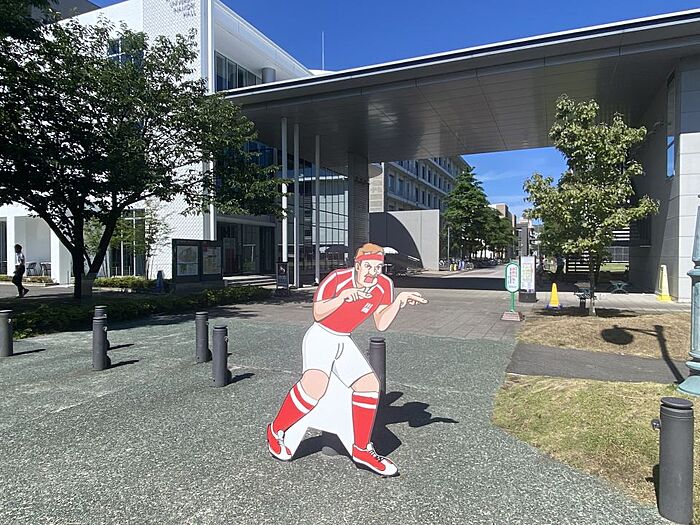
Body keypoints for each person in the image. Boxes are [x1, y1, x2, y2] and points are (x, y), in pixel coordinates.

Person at [266, 242, 428, 476]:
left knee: (369, 385)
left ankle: (361, 449)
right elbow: (318, 314)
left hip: (343, 339)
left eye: (378, 267)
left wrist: (399, 302)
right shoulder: (337, 279)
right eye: (368, 266)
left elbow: (381, 323)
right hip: (321, 334)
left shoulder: (384, 285)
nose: (373, 272)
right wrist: (342, 298)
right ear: (357, 265)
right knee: (315, 385)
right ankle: (276, 430)